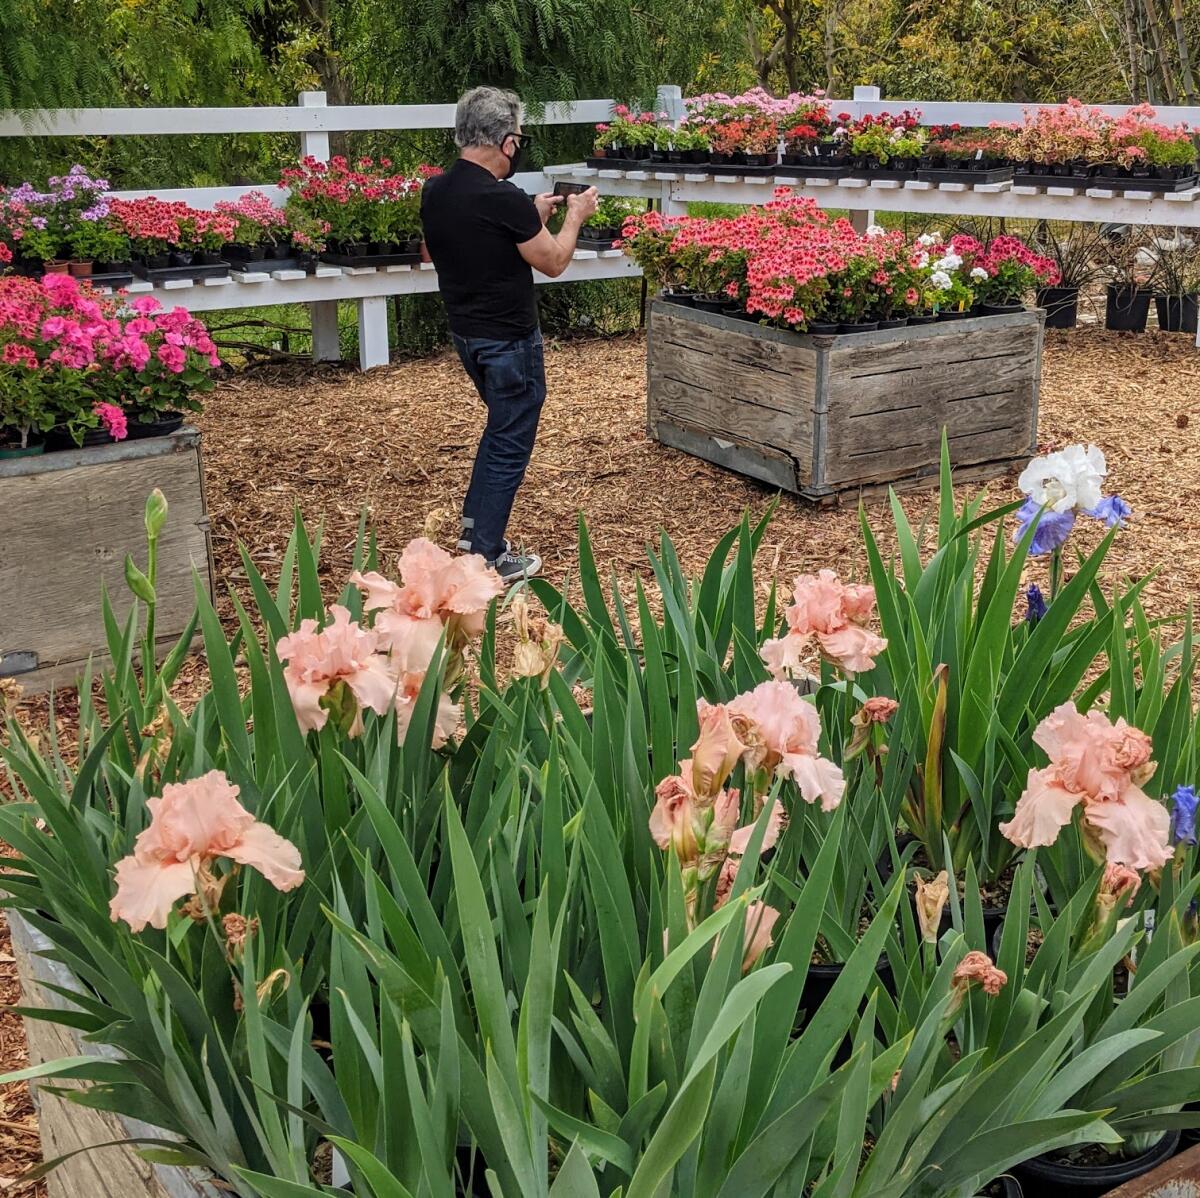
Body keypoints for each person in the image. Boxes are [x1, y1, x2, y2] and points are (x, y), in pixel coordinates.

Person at [421, 85, 598, 584]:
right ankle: (487, 557)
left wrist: (531, 219)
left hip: (468, 338)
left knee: (499, 430)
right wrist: (575, 218)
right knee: (508, 443)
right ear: (507, 142)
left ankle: (474, 536)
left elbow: (447, 248)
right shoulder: (505, 199)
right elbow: (555, 261)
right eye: (517, 138)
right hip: (511, 343)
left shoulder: (435, 191)